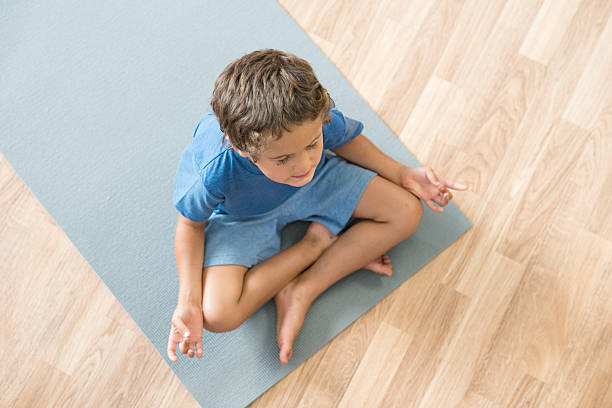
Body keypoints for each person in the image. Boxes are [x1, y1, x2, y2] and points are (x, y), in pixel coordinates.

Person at [167, 49, 468, 365]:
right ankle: (312, 245)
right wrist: (188, 301)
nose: (304, 164)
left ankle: (302, 291)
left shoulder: (306, 116)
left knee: (407, 212)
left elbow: (345, 140)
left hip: (319, 185)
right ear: (242, 149)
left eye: (312, 144)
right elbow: (190, 225)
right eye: (283, 158)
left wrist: (402, 173)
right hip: (242, 218)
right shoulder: (214, 169)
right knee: (217, 315)